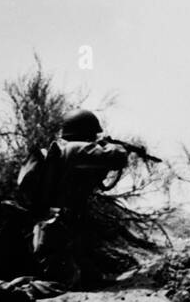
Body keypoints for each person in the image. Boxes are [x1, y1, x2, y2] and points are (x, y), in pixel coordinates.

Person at [27, 109, 131, 287]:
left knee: (81, 275)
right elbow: (117, 158)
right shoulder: (75, 149)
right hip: (58, 227)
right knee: (59, 285)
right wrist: (117, 146)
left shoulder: (63, 150)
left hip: (56, 223)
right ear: (87, 132)